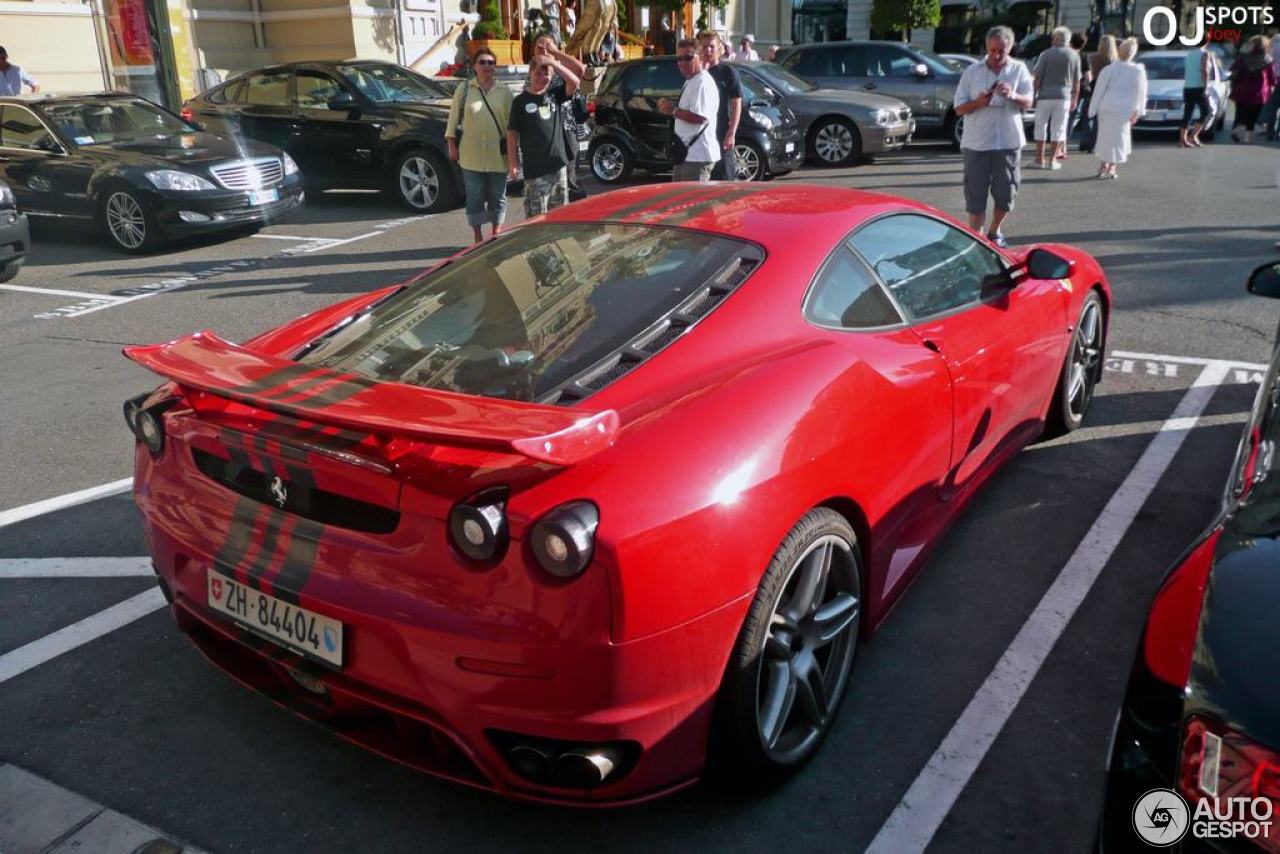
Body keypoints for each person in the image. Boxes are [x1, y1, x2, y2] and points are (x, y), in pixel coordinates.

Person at [952, 25, 1034, 248]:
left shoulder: (1019, 69)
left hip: (1008, 141)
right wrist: (978, 102)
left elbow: (1029, 101)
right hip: (977, 143)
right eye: (993, 50)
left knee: (1006, 193)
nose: (997, 56)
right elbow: (958, 108)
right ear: (987, 47)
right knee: (975, 195)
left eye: (1002, 51)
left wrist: (1013, 94)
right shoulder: (972, 72)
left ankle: (995, 230)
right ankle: (976, 239)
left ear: (1010, 48)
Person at [446, 47, 515, 242]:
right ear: (474, 66)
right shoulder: (465, 89)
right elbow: (453, 119)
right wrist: (451, 143)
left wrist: (514, 156)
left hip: (498, 155)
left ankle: (496, 233)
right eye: (482, 62)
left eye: (490, 62)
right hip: (470, 155)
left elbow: (512, 125)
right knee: (474, 197)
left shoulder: (504, 91)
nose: (487, 66)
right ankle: (477, 236)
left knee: (497, 196)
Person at [507, 52, 580, 216]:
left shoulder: (554, 95)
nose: (542, 77)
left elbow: (574, 82)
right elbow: (512, 133)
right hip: (536, 171)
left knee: (560, 216)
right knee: (537, 218)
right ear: (530, 74)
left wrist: (552, 63)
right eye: (538, 73)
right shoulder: (520, 101)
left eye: (546, 73)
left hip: (558, 168)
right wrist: (513, 163)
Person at [533, 32, 588, 200]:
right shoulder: (533, 71)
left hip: (566, 129)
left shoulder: (561, 67)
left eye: (547, 46)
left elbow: (581, 70)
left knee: (570, 179)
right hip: (543, 133)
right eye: (539, 47)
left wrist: (554, 55)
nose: (543, 50)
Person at [659, 38, 719, 182]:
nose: (682, 63)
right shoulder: (691, 80)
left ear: (700, 57)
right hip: (686, 154)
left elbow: (701, 117)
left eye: (688, 58)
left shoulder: (702, 82)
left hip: (697, 156)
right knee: (679, 202)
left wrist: (673, 110)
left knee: (693, 203)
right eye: (679, 59)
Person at [1088, 37, 1147, 179]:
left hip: (1106, 107)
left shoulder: (1109, 69)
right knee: (1119, 137)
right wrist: (1138, 111)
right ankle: (1112, 166)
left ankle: (1103, 164)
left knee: (1104, 135)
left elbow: (1099, 90)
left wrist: (1092, 109)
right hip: (1124, 109)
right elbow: (1141, 93)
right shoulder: (1138, 71)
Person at [1032, 26, 1081, 168]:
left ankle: (1039, 159)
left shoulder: (1046, 54)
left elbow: (1038, 77)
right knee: (1058, 128)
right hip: (1064, 95)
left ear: (1056, 39)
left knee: (1040, 126)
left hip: (1045, 95)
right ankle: (1053, 160)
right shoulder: (1074, 56)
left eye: (1053, 37)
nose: (1052, 40)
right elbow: (1077, 81)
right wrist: (1075, 98)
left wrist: (1034, 93)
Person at [697, 30, 741, 180]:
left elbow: (736, 105)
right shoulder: (696, 72)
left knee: (724, 178)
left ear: (719, 49)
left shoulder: (728, 72)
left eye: (711, 47)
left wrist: (731, 132)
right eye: (704, 47)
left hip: (721, 134)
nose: (708, 50)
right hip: (700, 135)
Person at [1230, 35, 1276, 144]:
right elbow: (1271, 77)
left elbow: (1233, 71)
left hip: (1241, 90)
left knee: (1240, 111)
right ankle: (1246, 137)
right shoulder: (1267, 59)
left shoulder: (1243, 58)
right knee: (1254, 114)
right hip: (1259, 92)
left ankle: (1238, 128)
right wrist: (1273, 86)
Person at [1080, 34, 1115, 153]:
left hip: (1093, 89)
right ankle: (1096, 143)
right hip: (1107, 92)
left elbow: (1089, 75)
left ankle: (1086, 142)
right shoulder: (1113, 61)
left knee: (1088, 116)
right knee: (1100, 120)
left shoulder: (1093, 57)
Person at [1181, 42, 1212, 147]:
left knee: (1187, 113)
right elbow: (1205, 70)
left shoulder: (1189, 54)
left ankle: (1183, 139)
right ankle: (1193, 136)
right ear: (1207, 42)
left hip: (1188, 87)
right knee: (1206, 112)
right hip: (1199, 87)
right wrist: (1206, 88)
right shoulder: (1204, 54)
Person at [1067, 33, 1090, 148]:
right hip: (1077, 90)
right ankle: (1064, 141)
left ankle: (1055, 140)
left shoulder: (1065, 54)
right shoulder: (1083, 56)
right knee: (1071, 116)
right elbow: (1088, 76)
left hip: (1063, 87)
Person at [1263, 38, 1280, 139]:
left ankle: (1269, 133)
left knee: (1272, 108)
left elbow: (1267, 62)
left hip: (1276, 80)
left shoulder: (1274, 47)